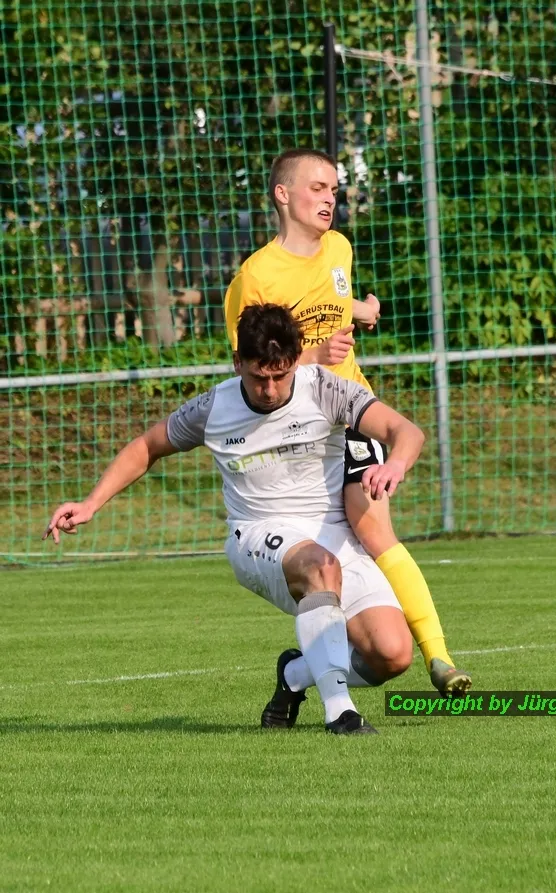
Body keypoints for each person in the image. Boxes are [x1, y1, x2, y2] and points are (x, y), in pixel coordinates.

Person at [43, 303, 425, 735]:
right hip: (257, 534)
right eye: (258, 377)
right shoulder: (214, 407)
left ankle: (296, 674)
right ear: (237, 362)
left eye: (281, 376)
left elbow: (406, 432)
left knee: (391, 655)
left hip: (333, 536)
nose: (269, 389)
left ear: (296, 360)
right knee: (320, 567)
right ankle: (341, 713)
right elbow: (147, 447)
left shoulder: (325, 389)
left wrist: (395, 464)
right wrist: (91, 504)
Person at [223, 147, 471, 696]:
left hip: (349, 412)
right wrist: (311, 356)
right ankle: (300, 671)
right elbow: (247, 365)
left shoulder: (339, 248)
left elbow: (328, 295)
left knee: (376, 529)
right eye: (317, 188)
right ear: (282, 194)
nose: (330, 198)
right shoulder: (256, 276)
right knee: (328, 562)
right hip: (296, 433)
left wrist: (361, 309)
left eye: (334, 189)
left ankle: (439, 656)